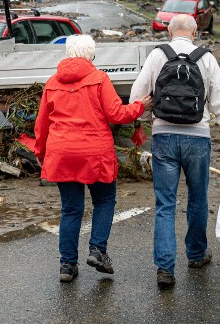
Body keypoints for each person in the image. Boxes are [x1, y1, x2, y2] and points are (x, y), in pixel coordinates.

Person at [130, 13, 220, 288]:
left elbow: (138, 94)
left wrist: (141, 121)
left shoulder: (158, 55)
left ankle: (165, 268)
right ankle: (196, 253)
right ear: (194, 33)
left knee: (165, 203)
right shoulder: (206, 57)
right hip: (197, 138)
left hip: (164, 137)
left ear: (169, 33)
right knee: (198, 198)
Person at [34, 35, 153, 282]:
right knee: (105, 199)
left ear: (67, 54)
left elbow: (42, 124)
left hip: (62, 153)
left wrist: (40, 153)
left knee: (71, 209)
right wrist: (140, 106)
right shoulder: (99, 79)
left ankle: (67, 266)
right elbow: (116, 114)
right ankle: (97, 250)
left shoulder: (52, 83)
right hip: (93, 152)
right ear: (91, 55)